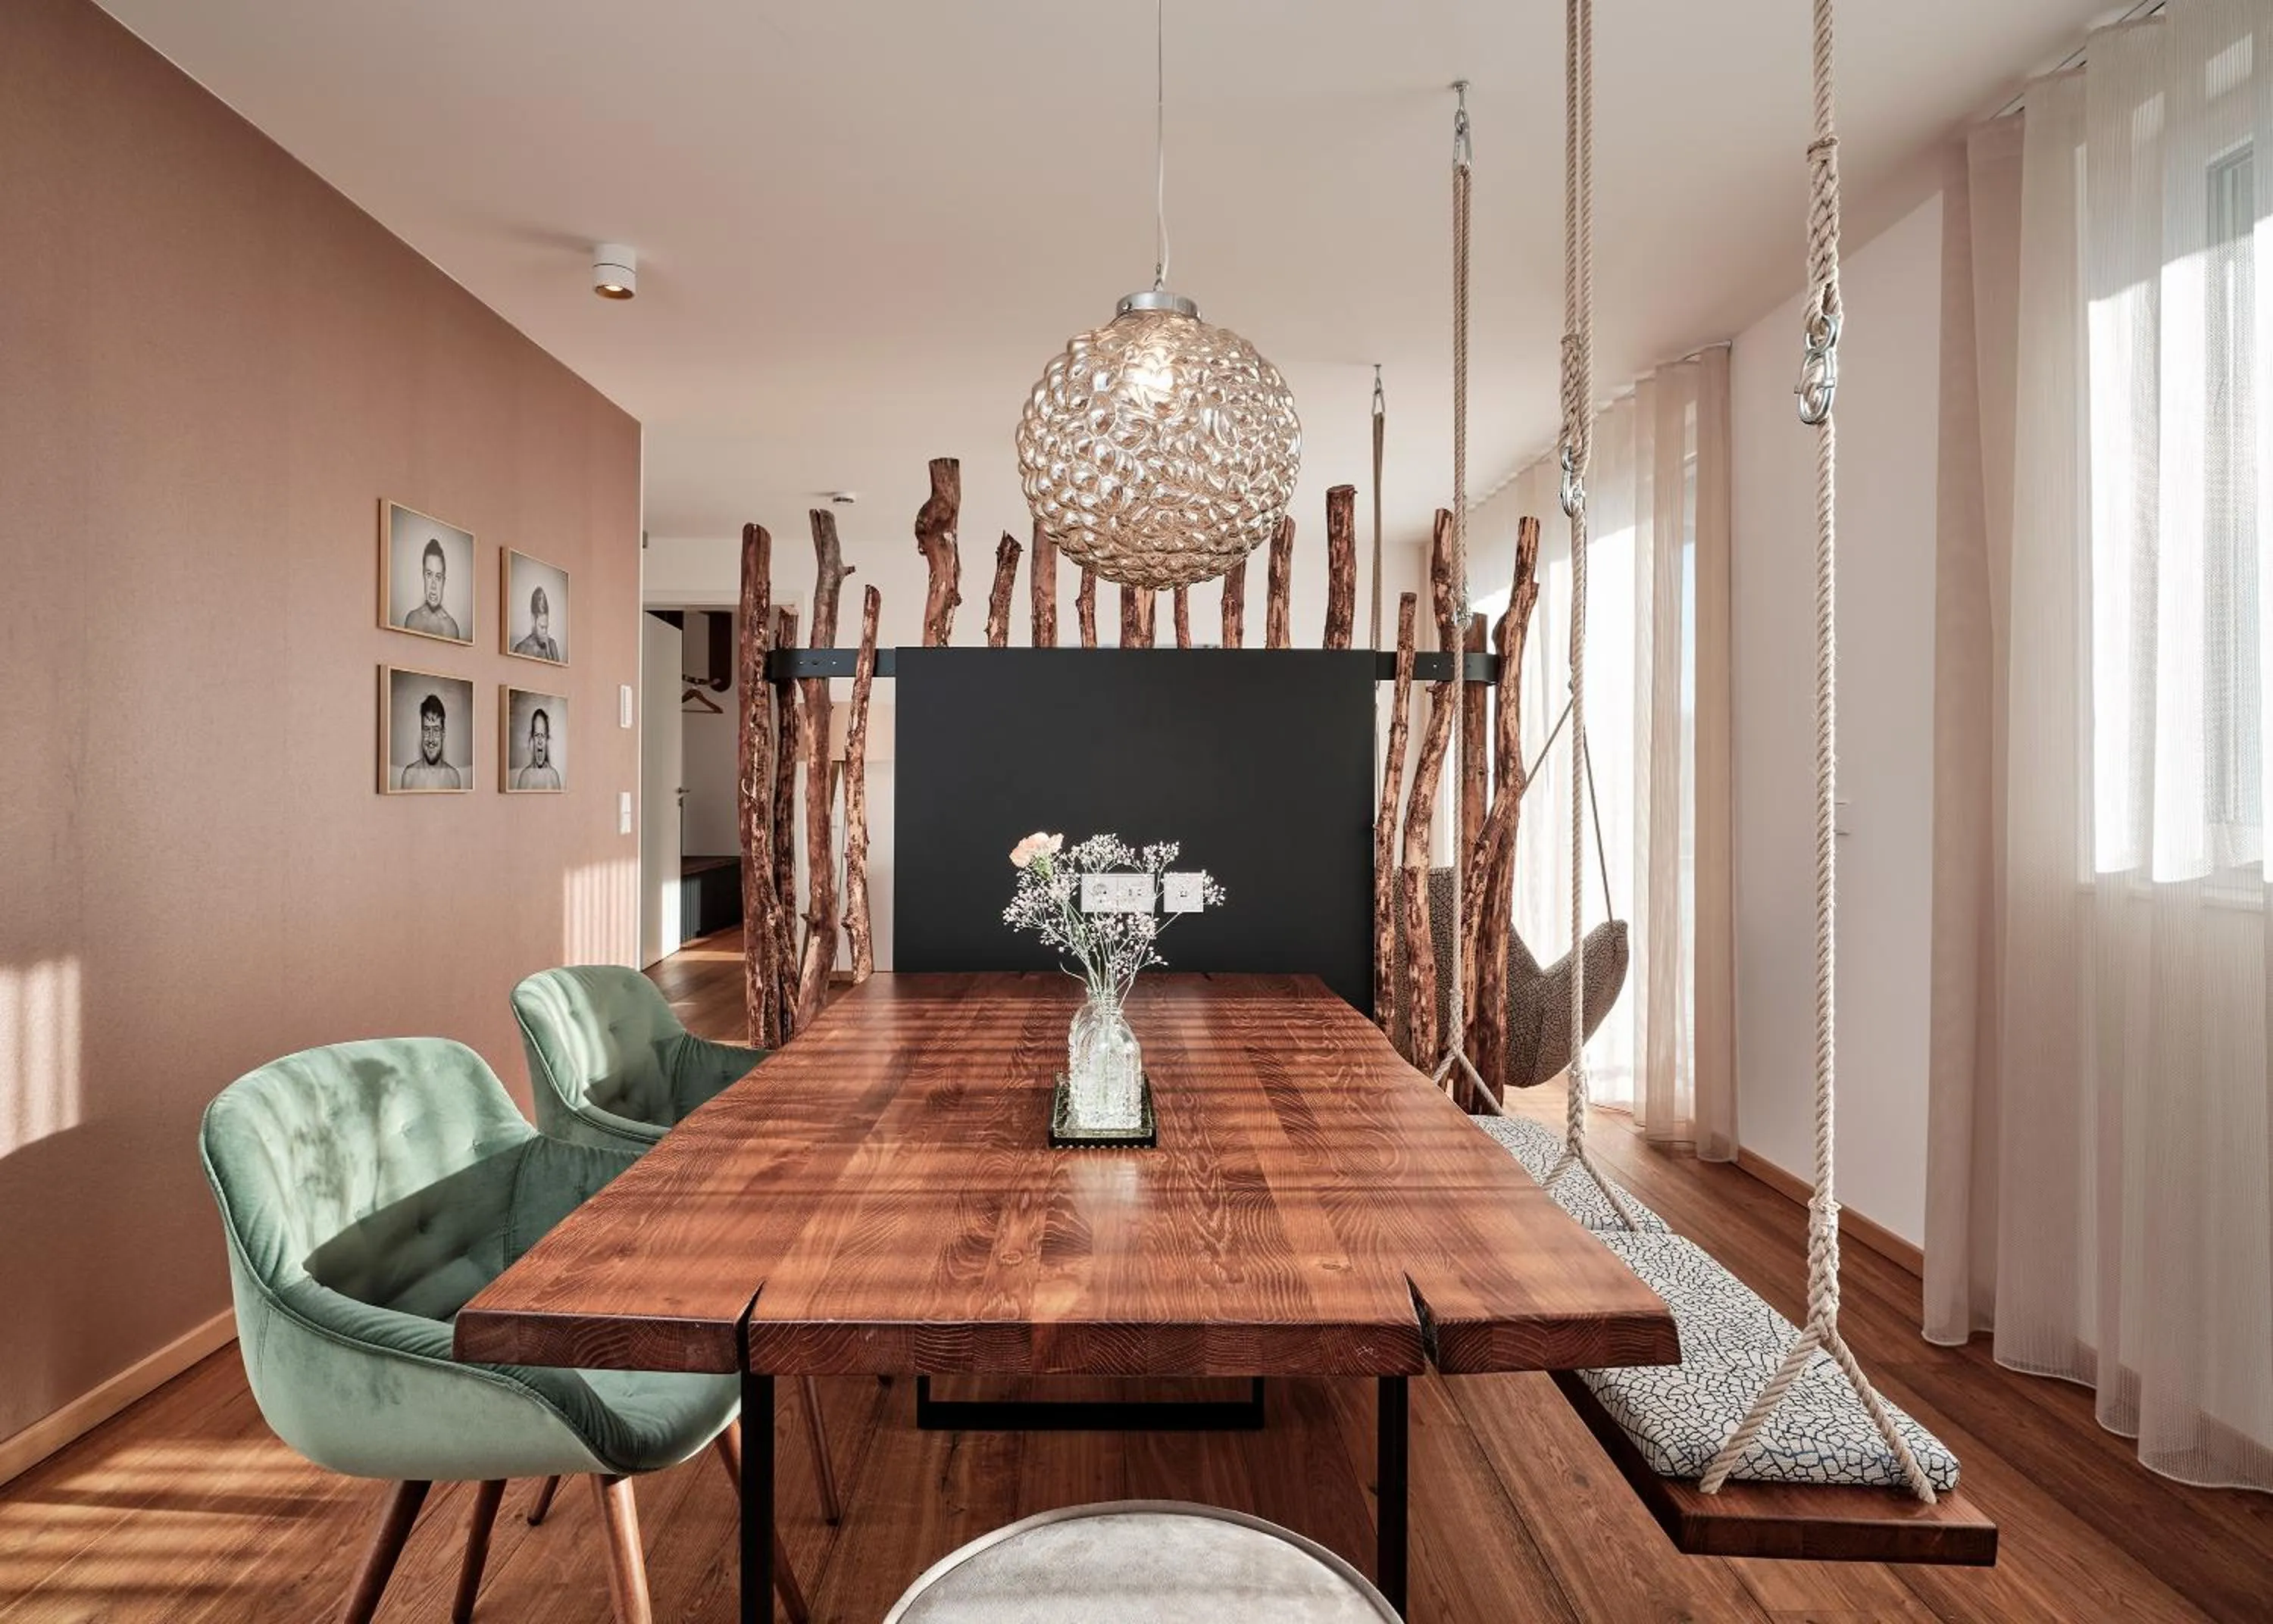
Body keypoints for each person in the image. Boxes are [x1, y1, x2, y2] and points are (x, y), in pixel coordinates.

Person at [403, 539, 463, 639]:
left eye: (438, 577)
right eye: (429, 575)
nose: (433, 585)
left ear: (444, 581)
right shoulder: (412, 619)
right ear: (423, 576)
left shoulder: (452, 628)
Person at [400, 692, 462, 789]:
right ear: (422, 733)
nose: (431, 739)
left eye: (436, 730)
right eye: (427, 730)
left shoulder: (454, 778)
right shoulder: (409, 776)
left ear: (443, 734)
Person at [514, 707, 561, 791]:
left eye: (543, 735)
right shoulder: (524, 776)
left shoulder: (554, 777)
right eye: (536, 735)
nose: (540, 741)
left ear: (547, 739)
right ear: (532, 739)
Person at [511, 584, 562, 661]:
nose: (545, 632)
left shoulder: (552, 644)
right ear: (533, 620)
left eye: (546, 627)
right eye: (542, 627)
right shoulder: (522, 648)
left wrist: (548, 650)